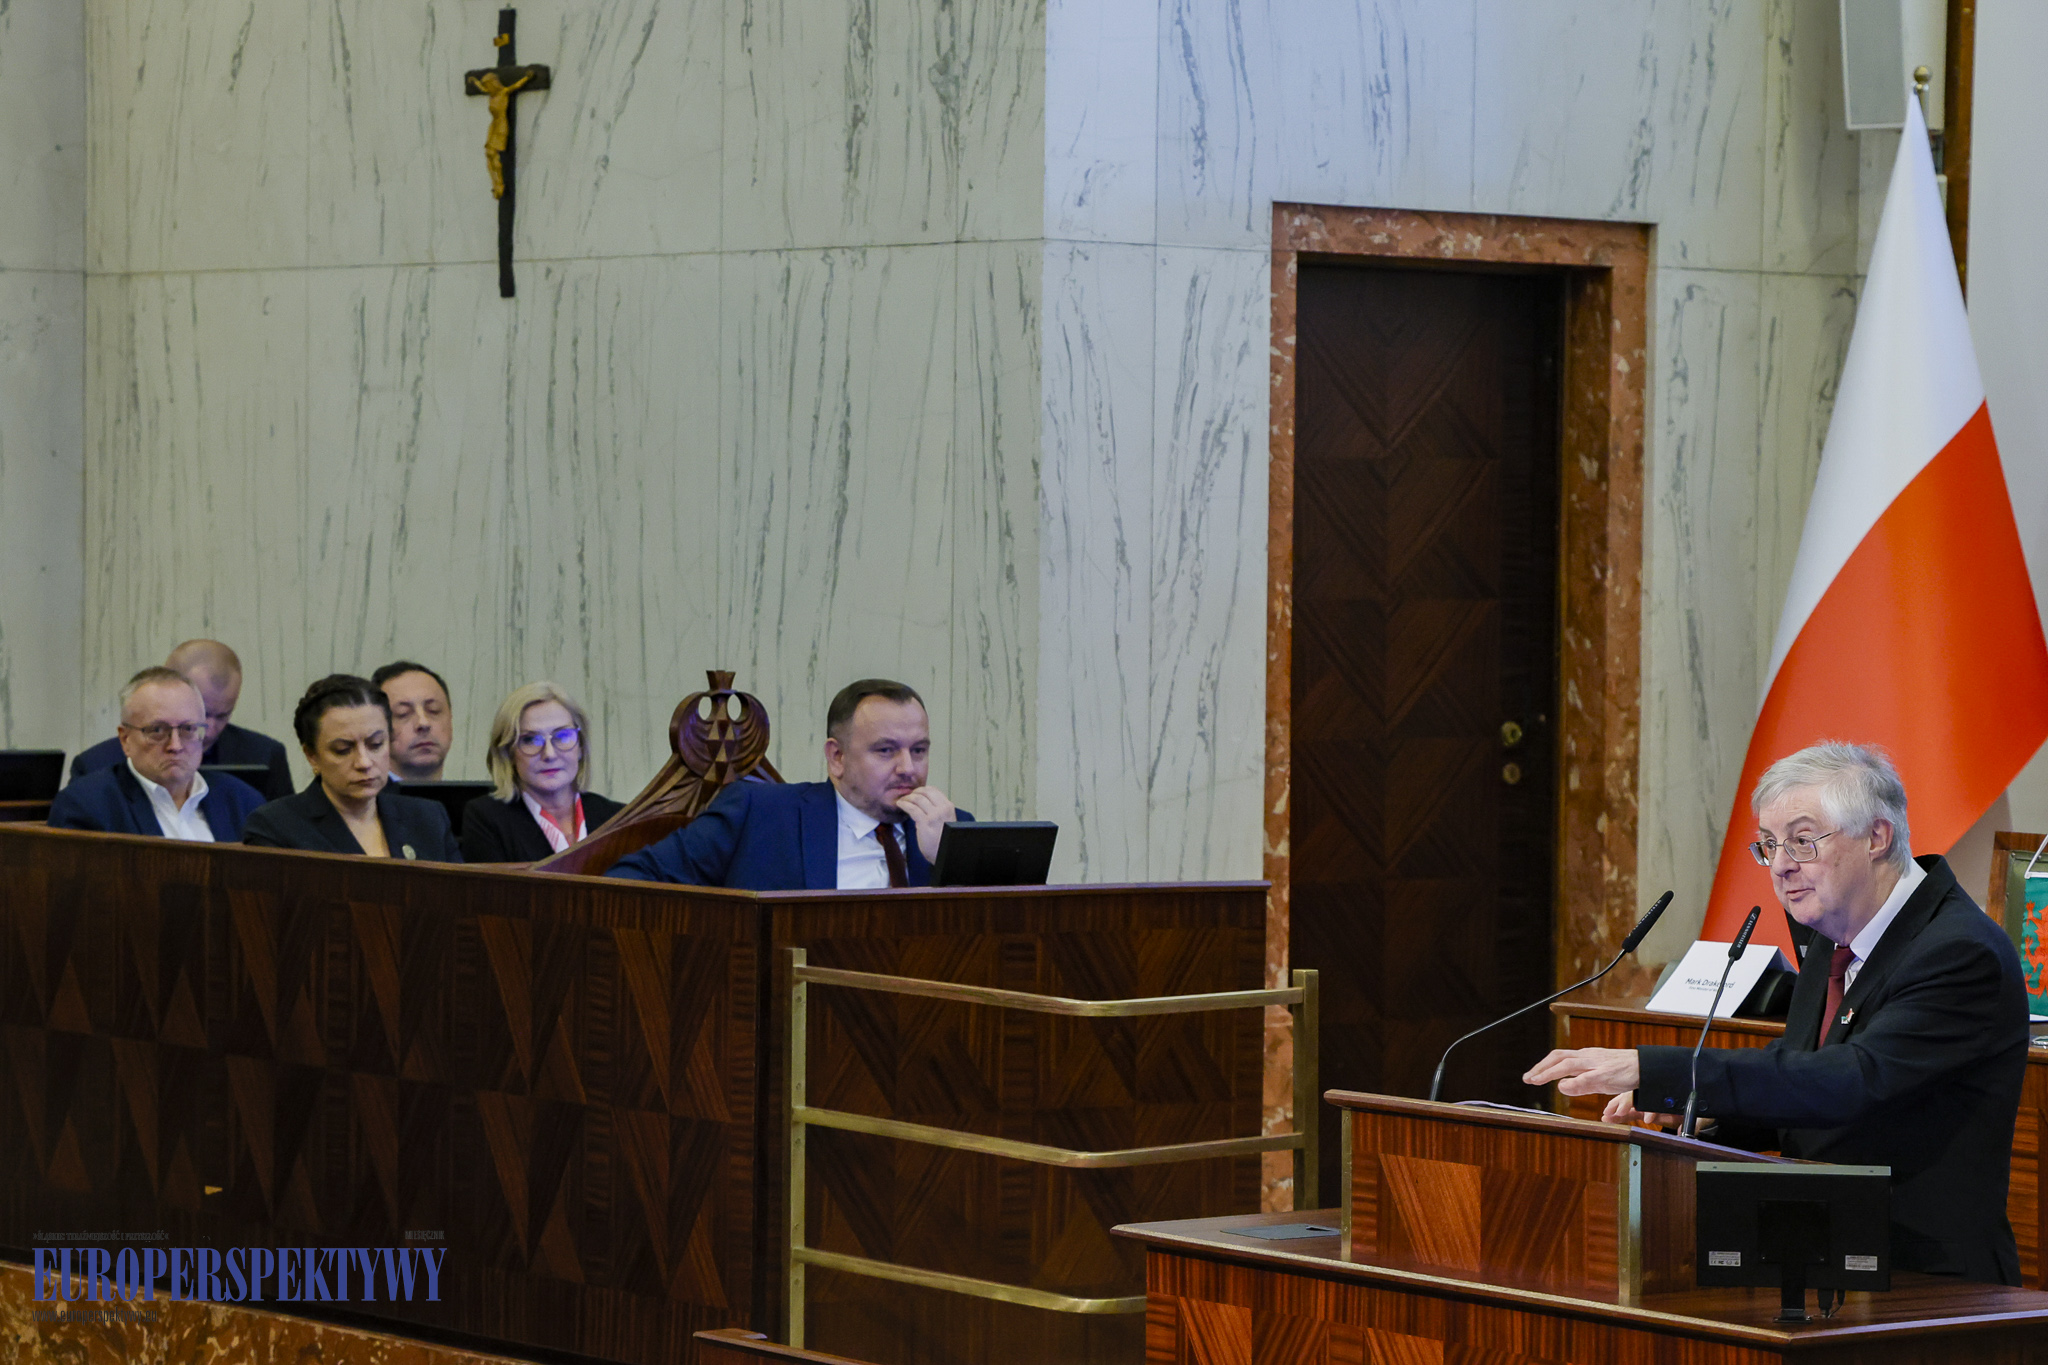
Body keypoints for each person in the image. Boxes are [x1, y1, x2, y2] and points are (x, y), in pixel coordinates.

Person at [1523, 742, 2028, 1284]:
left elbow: (1854, 1079)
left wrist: (1659, 1070)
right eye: (1768, 846)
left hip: (1932, 1286)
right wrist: (1695, 1109)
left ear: (1877, 837)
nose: (1782, 866)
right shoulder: (1833, 938)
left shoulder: (1958, 951)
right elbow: (1801, 1073)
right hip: (1823, 1256)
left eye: (1803, 842)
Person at [607, 678, 971, 889]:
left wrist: (951, 859)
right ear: (837, 757)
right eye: (886, 750)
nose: (908, 767)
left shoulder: (954, 832)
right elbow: (631, 880)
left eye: (919, 750)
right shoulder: (756, 814)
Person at [242, 674, 461, 861]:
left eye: (375, 745)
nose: (364, 763)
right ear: (312, 756)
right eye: (343, 750)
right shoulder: (276, 826)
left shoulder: (428, 818)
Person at [47, 667, 266, 840]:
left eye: (188, 729)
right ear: (125, 739)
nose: (175, 745)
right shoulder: (87, 806)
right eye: (157, 730)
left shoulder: (243, 801)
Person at [69, 639, 294, 800]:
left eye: (224, 715)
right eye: (203, 714)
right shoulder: (95, 767)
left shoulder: (264, 756)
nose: (212, 729)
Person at [460, 682, 624, 862]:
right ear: (508, 753)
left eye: (563, 736)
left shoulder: (618, 818)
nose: (550, 754)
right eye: (531, 740)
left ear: (581, 747)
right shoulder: (487, 819)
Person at [373, 660, 455, 782]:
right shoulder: (363, 800)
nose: (423, 723)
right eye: (402, 713)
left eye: (434, 710)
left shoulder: (476, 800)